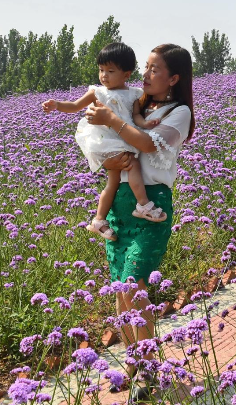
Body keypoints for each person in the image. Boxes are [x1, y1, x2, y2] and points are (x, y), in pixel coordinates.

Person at [83, 43, 195, 402]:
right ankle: (136, 364)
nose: (145, 75)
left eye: (154, 69)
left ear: (173, 78)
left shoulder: (179, 112)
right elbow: (104, 142)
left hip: (151, 206)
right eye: (145, 68)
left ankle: (147, 369)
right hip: (120, 203)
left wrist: (112, 121)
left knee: (134, 286)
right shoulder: (134, 102)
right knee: (120, 288)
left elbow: (147, 145)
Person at [41, 43, 167, 243]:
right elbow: (75, 106)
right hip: (106, 142)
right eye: (101, 70)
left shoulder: (134, 94)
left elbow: (135, 118)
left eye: (110, 71)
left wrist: (147, 123)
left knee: (113, 182)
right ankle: (143, 204)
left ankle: (99, 220)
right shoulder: (97, 92)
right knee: (132, 165)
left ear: (126, 74)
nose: (104, 76)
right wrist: (57, 105)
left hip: (123, 138)